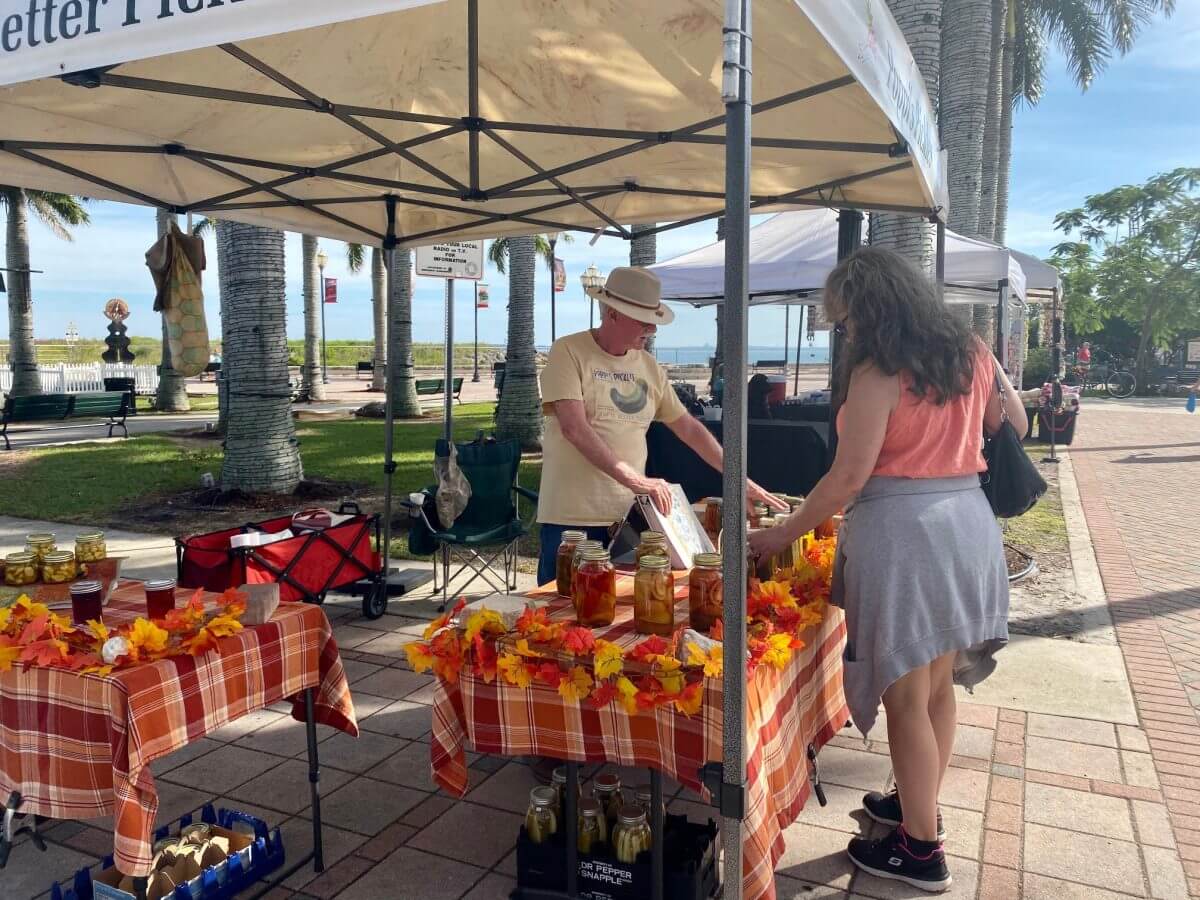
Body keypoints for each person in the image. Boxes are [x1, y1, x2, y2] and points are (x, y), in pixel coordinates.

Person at [749, 248, 1024, 893]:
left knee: (907, 696)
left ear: (868, 310)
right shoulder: (969, 353)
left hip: (907, 535)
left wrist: (786, 531)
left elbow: (848, 476)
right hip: (967, 522)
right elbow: (1006, 422)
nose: (844, 333)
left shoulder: (880, 372)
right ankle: (913, 807)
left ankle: (921, 850)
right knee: (936, 687)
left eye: (844, 321)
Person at [537, 265, 785, 587]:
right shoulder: (568, 351)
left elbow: (690, 429)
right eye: (644, 320)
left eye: (654, 320)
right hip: (571, 522)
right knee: (561, 621)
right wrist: (639, 481)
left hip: (630, 522)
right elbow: (575, 429)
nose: (652, 329)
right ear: (612, 314)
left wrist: (738, 479)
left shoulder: (649, 367)